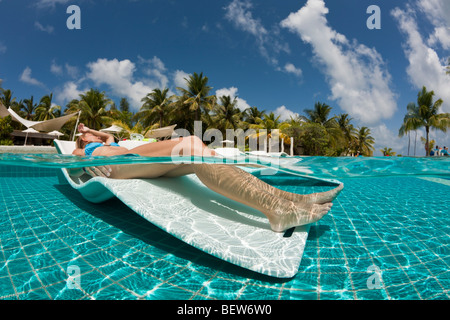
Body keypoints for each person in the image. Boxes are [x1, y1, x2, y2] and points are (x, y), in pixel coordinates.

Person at [71, 124, 343, 233]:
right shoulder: (83, 147)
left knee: (207, 153)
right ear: (85, 140)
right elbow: (76, 163)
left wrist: (92, 130)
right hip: (120, 166)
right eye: (90, 136)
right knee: (190, 143)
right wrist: (91, 161)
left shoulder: (107, 139)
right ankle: (276, 210)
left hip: (138, 161)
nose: (96, 136)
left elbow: (107, 136)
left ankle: (289, 199)